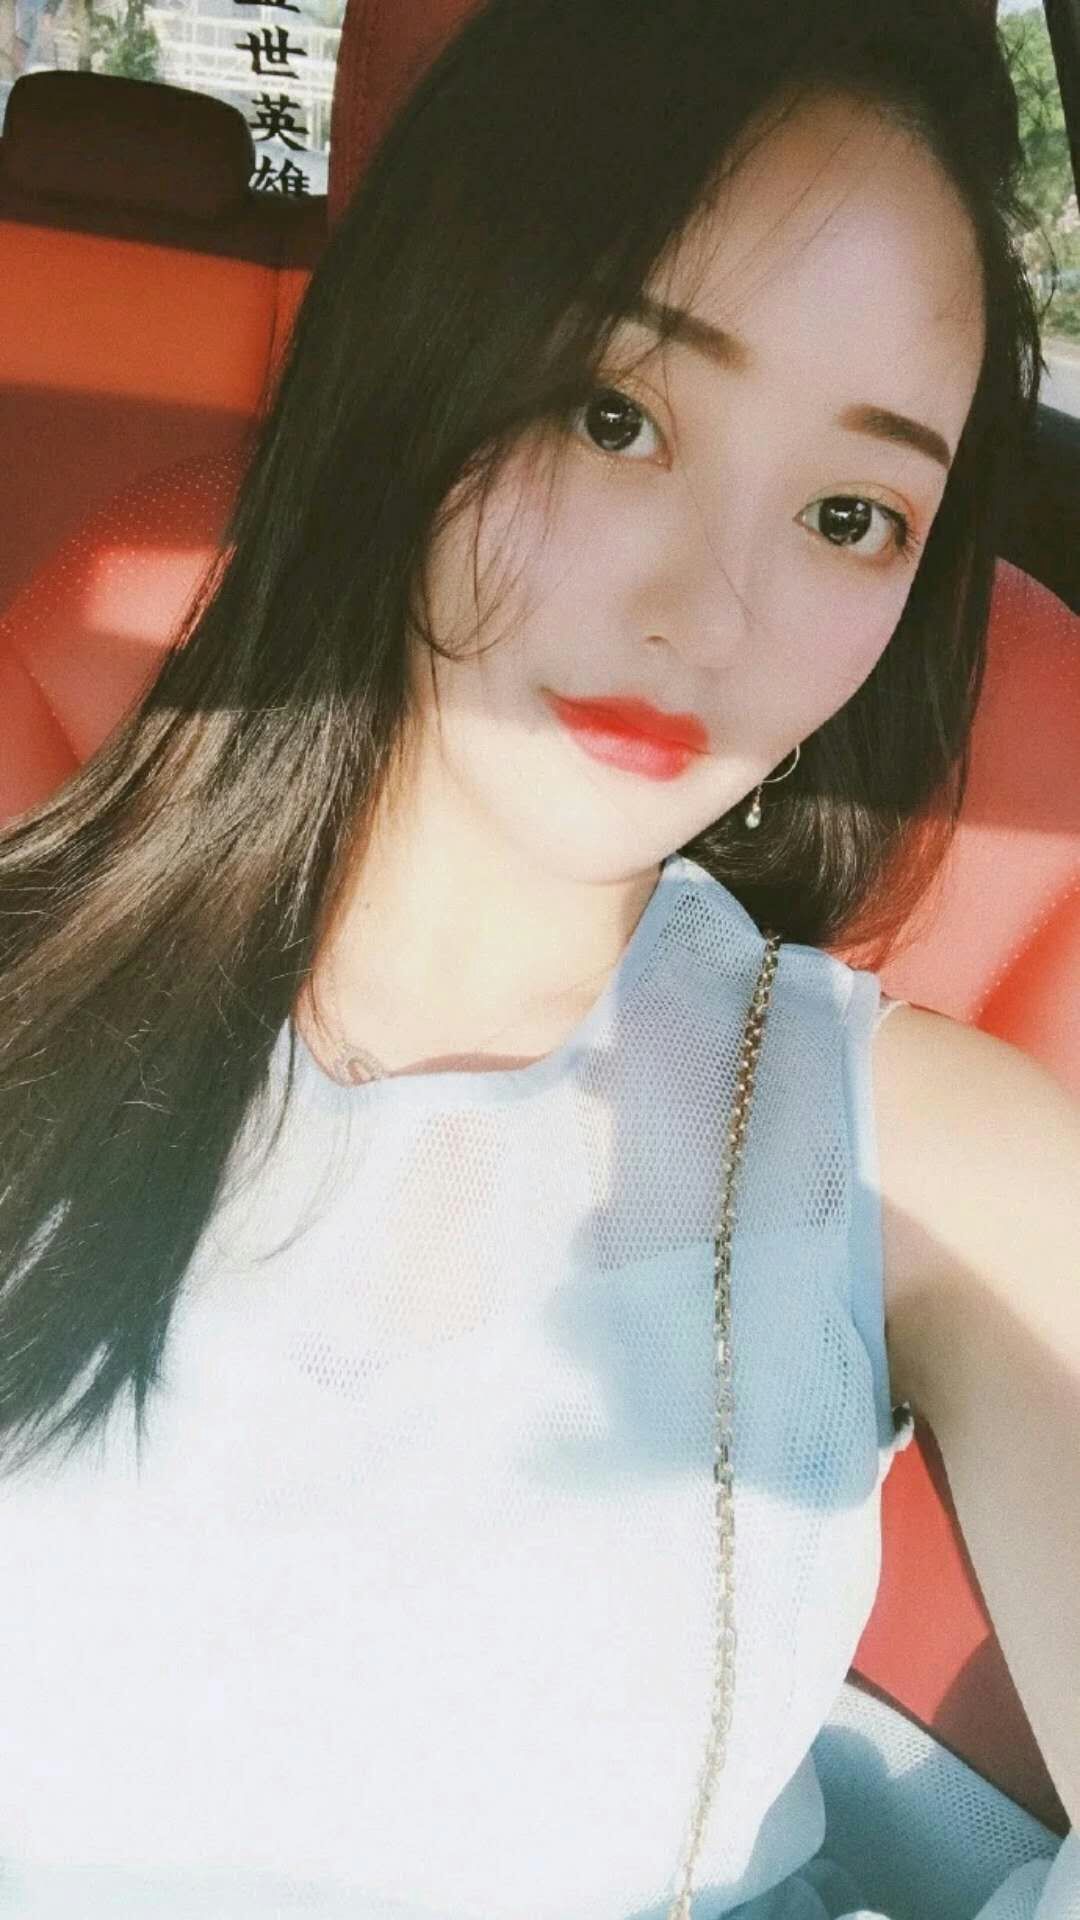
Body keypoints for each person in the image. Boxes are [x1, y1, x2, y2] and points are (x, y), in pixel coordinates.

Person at [0, 0, 1076, 1913]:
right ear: (420, 365)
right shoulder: (30, 983)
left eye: (850, 514)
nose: (707, 614)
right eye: (615, 414)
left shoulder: (925, 1155)